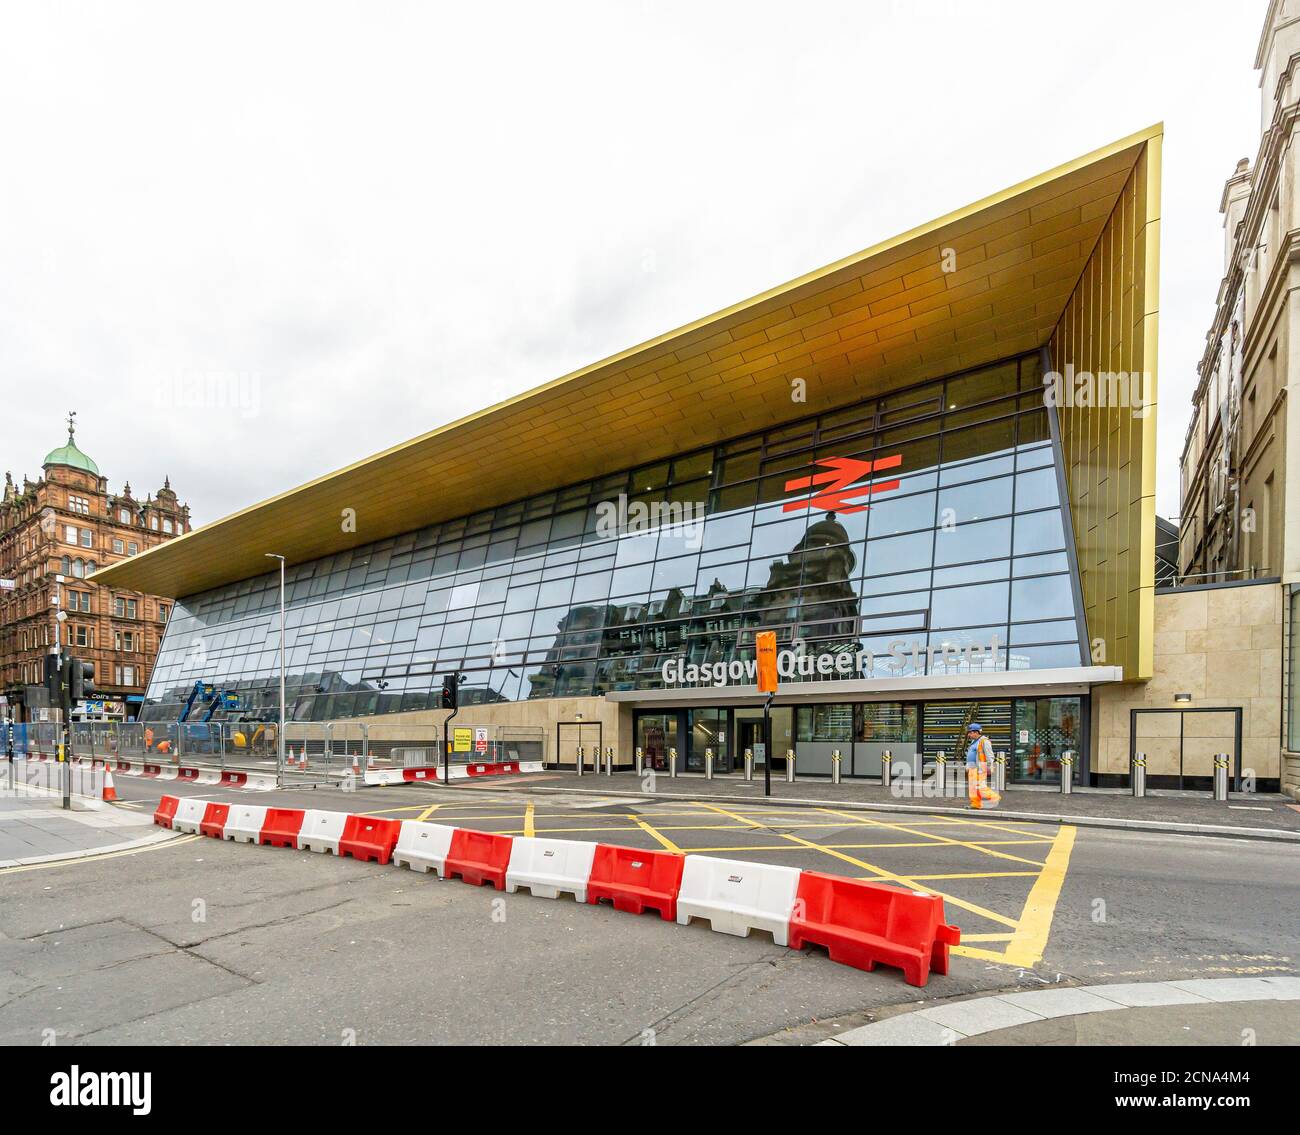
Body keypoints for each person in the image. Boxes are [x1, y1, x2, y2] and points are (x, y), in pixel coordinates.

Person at [964, 723, 1001, 809]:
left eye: (970, 732)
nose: (969, 734)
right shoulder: (974, 742)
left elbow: (990, 755)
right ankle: (975, 804)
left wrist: (990, 766)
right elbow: (971, 755)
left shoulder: (985, 741)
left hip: (980, 768)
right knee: (973, 788)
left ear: (976, 732)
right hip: (972, 768)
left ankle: (995, 797)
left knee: (980, 787)